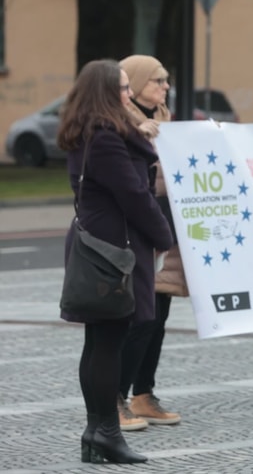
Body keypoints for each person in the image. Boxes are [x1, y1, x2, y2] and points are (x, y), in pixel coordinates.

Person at [57, 59, 173, 463]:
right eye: (123, 88)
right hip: (114, 250)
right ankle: (105, 430)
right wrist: (163, 237)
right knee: (107, 342)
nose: (128, 94)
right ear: (107, 93)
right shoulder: (105, 136)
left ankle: (98, 433)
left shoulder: (93, 129)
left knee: (99, 342)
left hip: (102, 243)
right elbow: (134, 195)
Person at [115, 55, 186, 430]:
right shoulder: (122, 127)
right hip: (139, 232)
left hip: (166, 230)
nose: (165, 87)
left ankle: (143, 394)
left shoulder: (165, 122)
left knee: (158, 319)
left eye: (166, 80)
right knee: (136, 320)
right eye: (157, 80)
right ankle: (116, 398)